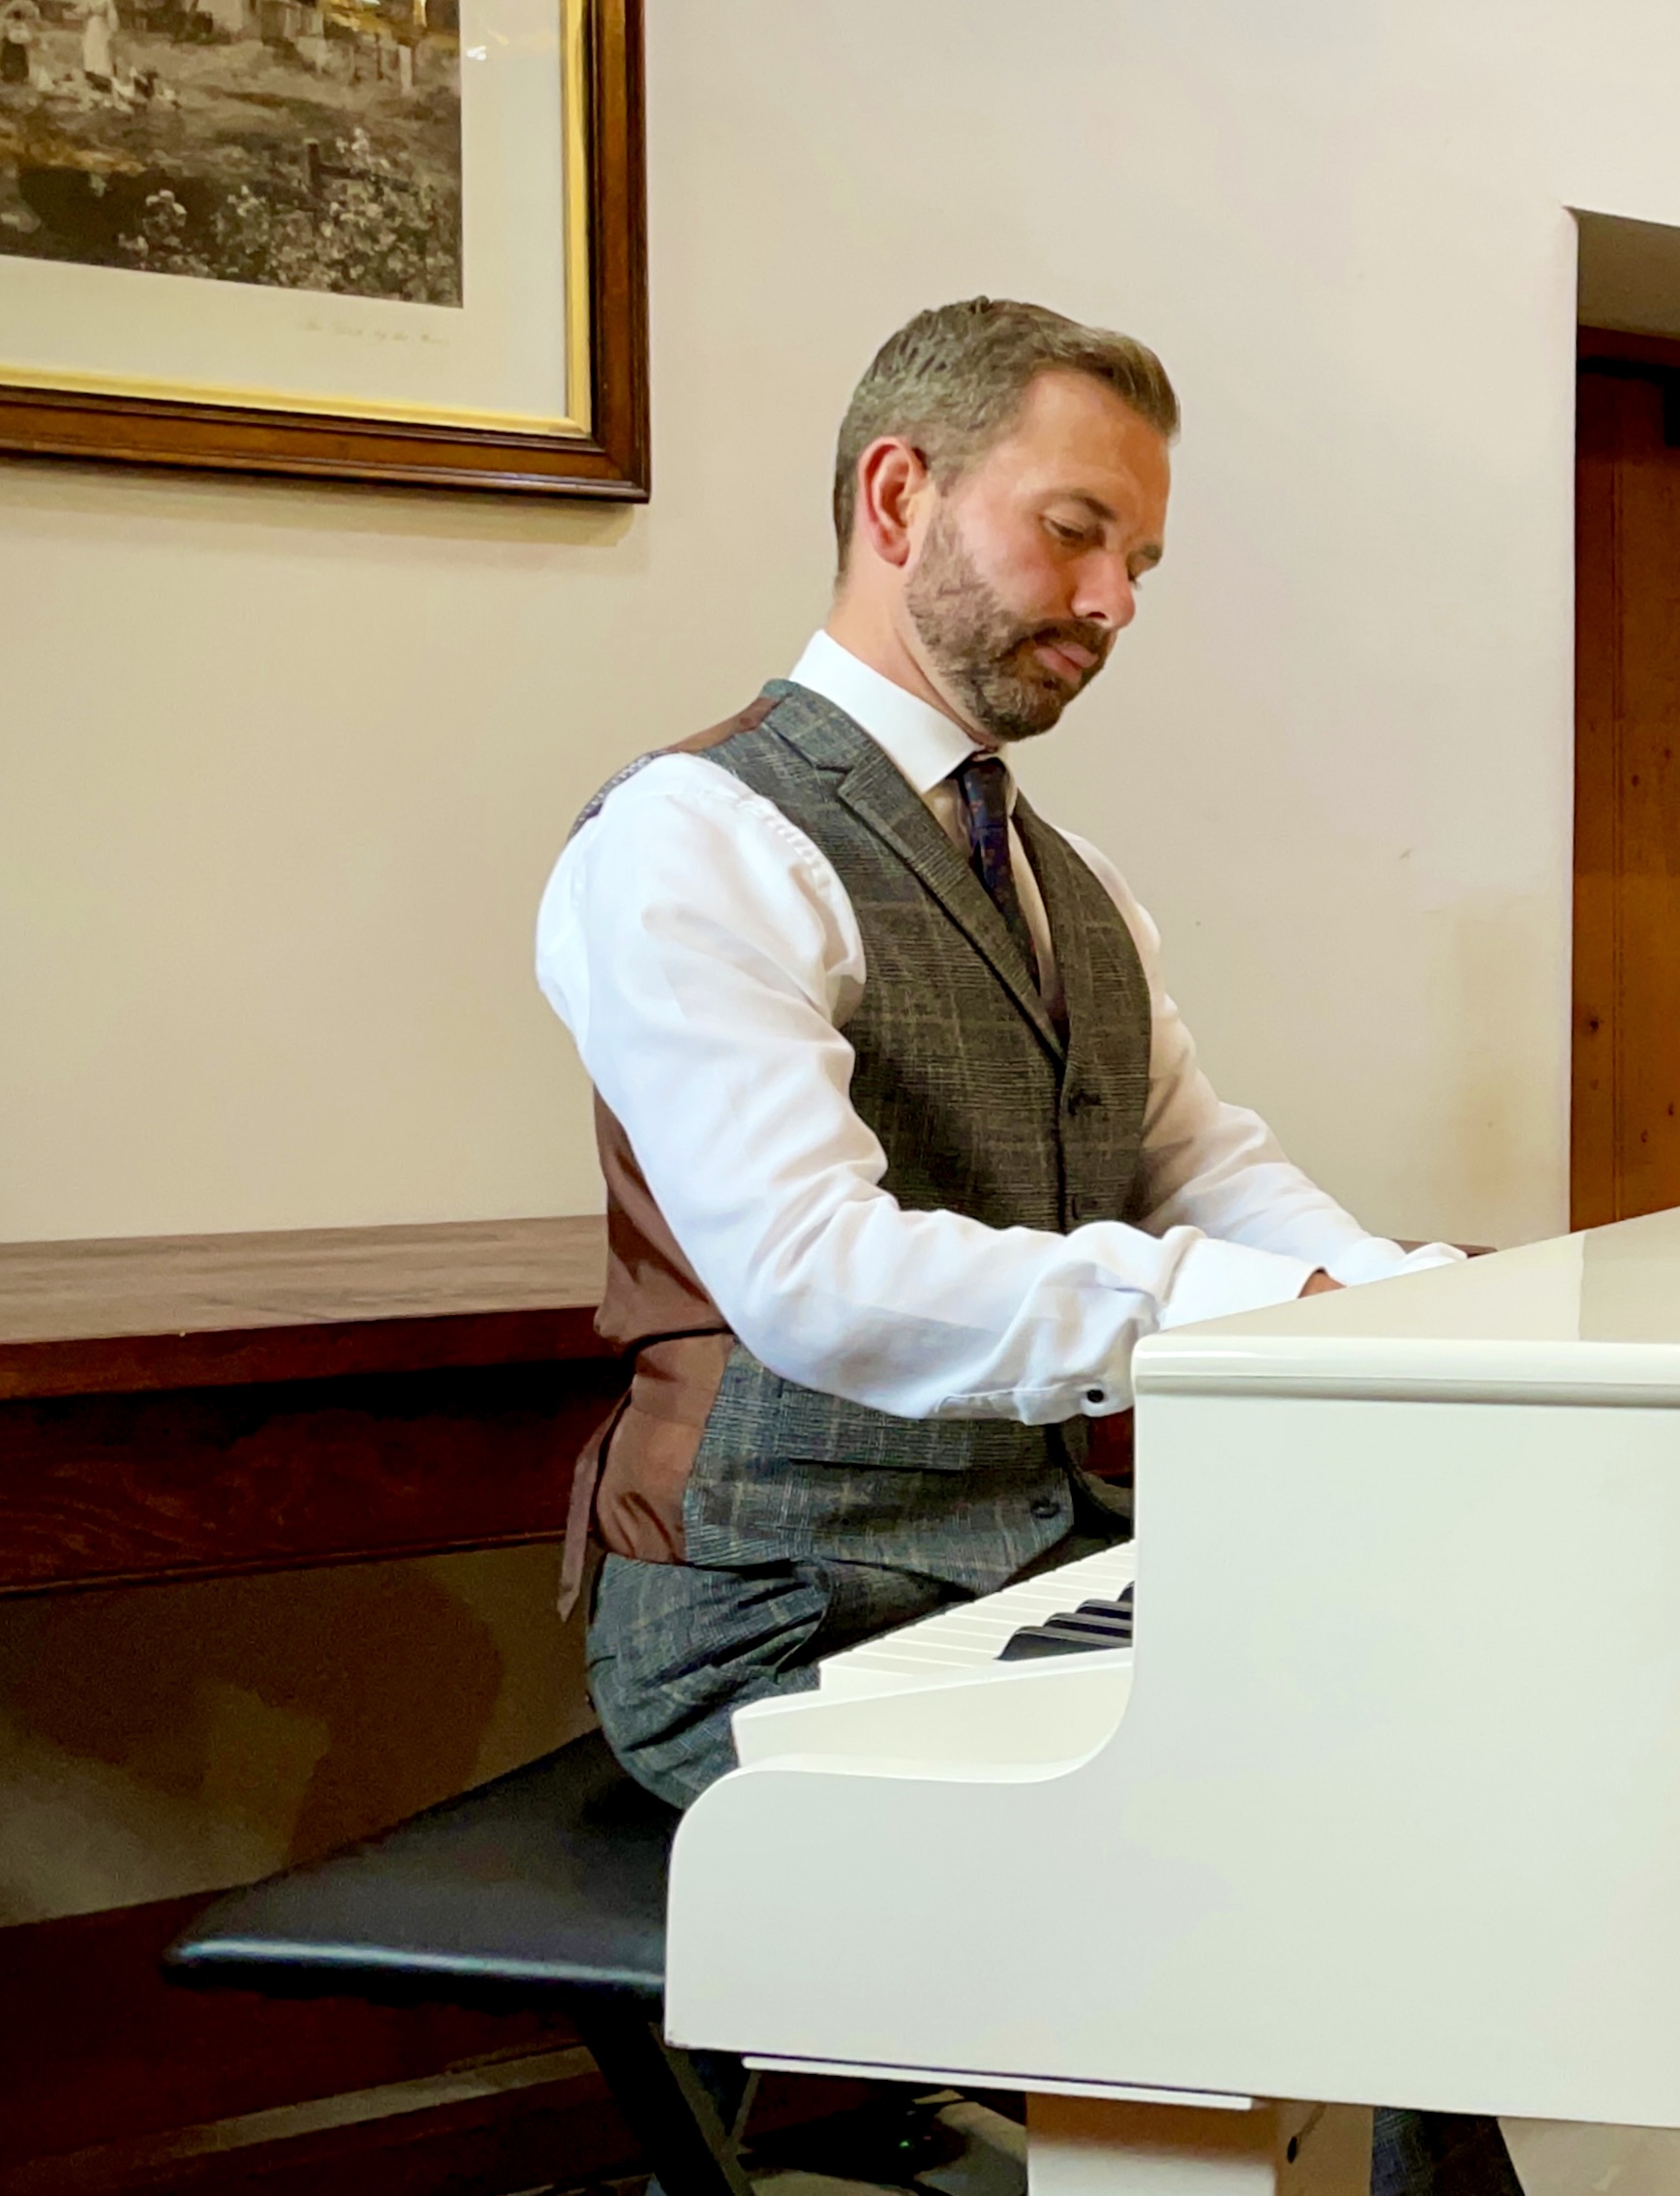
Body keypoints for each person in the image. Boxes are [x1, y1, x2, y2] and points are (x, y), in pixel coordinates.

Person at [539, 299, 1519, 2196]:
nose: (1117, 597)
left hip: (1024, 1562)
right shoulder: (691, 839)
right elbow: (816, 1276)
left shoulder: (1075, 888)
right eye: (1075, 529)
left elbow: (1196, 1166)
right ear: (898, 496)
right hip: (783, 1624)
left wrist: (1406, 1295)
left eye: (1140, 559)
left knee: (1415, 1749)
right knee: (1283, 1829)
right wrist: (1276, 1310)